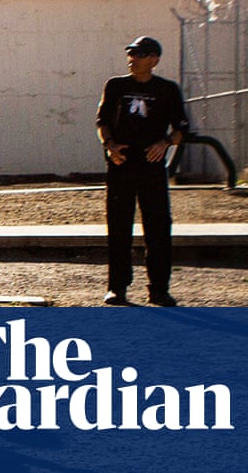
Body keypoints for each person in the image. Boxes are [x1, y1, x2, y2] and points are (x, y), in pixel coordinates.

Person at [96, 36, 189, 307]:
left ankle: (159, 288)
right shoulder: (116, 86)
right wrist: (110, 145)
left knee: (158, 227)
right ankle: (117, 288)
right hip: (121, 164)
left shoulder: (167, 89)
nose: (132, 59)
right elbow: (102, 121)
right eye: (131, 54)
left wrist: (165, 143)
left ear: (154, 59)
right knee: (119, 226)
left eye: (139, 55)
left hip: (151, 165)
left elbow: (182, 128)